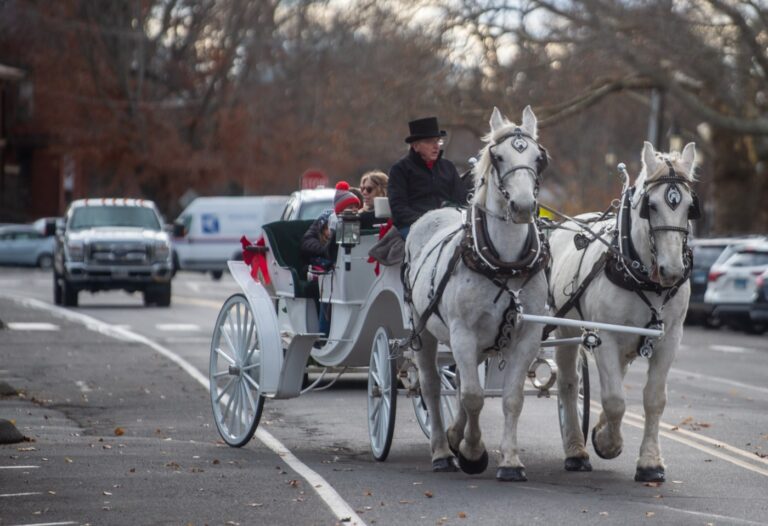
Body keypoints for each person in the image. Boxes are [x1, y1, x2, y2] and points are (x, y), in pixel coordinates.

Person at [388, 116, 468, 238]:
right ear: (415, 146)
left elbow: (461, 199)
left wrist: (450, 214)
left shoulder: (448, 167)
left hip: (448, 223)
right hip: (413, 225)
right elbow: (399, 209)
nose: (436, 146)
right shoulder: (400, 169)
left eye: (438, 141)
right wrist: (427, 221)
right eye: (430, 141)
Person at [300, 182, 360, 336]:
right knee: (326, 286)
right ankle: (322, 334)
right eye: (350, 207)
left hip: (349, 267)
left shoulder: (358, 221)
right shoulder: (328, 219)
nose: (354, 210)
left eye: (355, 207)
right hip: (325, 268)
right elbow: (307, 243)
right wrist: (325, 250)